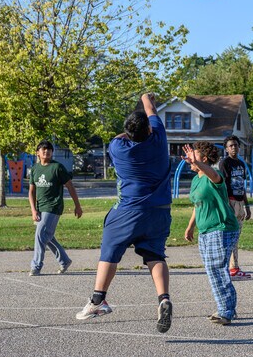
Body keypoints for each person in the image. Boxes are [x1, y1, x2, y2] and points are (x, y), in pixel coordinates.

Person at [76, 93, 173, 334]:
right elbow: (151, 110)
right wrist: (145, 98)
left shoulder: (118, 148)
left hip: (129, 210)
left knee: (109, 249)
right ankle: (163, 298)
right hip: (160, 211)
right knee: (155, 255)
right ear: (149, 130)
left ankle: (98, 299)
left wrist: (132, 131)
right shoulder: (160, 140)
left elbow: (123, 135)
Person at [183, 142, 240, 325]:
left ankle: (226, 311)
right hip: (205, 231)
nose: (189, 159)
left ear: (204, 159)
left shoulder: (214, 177)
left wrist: (198, 164)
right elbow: (198, 204)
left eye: (194, 156)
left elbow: (214, 175)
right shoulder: (196, 179)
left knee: (217, 269)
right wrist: (191, 226)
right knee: (212, 270)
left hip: (222, 228)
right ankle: (227, 307)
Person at [29, 140, 83, 276]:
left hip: (53, 206)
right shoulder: (35, 169)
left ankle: (36, 266)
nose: (46, 152)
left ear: (52, 152)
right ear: (38, 153)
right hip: (40, 207)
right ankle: (64, 260)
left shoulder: (57, 168)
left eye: (49, 150)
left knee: (40, 234)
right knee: (47, 236)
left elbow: (70, 186)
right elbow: (31, 191)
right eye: (43, 149)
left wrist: (77, 205)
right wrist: (33, 210)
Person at [218, 135, 252, 280]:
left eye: (236, 145)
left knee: (236, 236)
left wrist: (247, 205)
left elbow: (241, 185)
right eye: (231, 146)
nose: (234, 147)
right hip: (229, 202)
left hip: (239, 203)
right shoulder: (224, 163)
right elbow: (223, 185)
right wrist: (226, 205)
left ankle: (233, 267)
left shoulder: (241, 164)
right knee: (229, 236)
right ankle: (230, 268)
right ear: (226, 148)